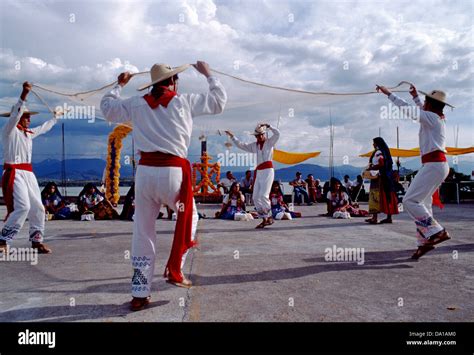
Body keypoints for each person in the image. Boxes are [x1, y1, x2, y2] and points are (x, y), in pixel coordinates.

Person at [101, 61, 226, 311]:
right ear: (173, 82)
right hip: (173, 175)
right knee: (189, 218)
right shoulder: (184, 101)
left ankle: (139, 292)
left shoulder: (137, 103)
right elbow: (218, 101)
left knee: (143, 233)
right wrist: (208, 74)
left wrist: (118, 85)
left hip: (145, 174)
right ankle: (175, 268)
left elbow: (107, 109)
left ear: (153, 84)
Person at [377, 84, 451, 259]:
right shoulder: (435, 117)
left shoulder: (431, 117)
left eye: (425, 101)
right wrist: (416, 97)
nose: (423, 103)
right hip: (436, 166)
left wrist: (389, 94)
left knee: (410, 201)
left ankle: (437, 231)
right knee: (423, 205)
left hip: (434, 165)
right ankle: (424, 242)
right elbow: (419, 110)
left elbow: (410, 111)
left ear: (431, 105)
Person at [1, 82, 57, 255]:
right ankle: (3, 240)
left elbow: (43, 128)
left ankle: (36, 241)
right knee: (23, 207)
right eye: (26, 116)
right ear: (18, 117)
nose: (29, 119)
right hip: (15, 172)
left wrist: (55, 118)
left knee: (39, 208)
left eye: (29, 116)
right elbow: (15, 115)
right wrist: (24, 94)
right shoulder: (9, 131)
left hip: (28, 174)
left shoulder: (29, 134)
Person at [225, 123, 279, 229]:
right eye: (256, 136)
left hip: (268, 170)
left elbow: (277, 134)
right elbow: (241, 145)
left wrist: (269, 126)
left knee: (264, 195)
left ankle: (270, 217)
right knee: (255, 197)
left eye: (260, 135)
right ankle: (264, 219)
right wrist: (232, 136)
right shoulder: (255, 146)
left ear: (264, 134)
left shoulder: (270, 142)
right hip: (259, 171)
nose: (258, 137)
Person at [365, 137, 399, 224]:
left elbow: (381, 163)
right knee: (387, 195)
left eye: (374, 143)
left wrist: (371, 168)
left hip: (378, 177)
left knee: (375, 196)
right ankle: (388, 217)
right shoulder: (384, 152)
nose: (373, 145)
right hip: (386, 177)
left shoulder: (378, 152)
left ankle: (374, 218)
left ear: (377, 143)